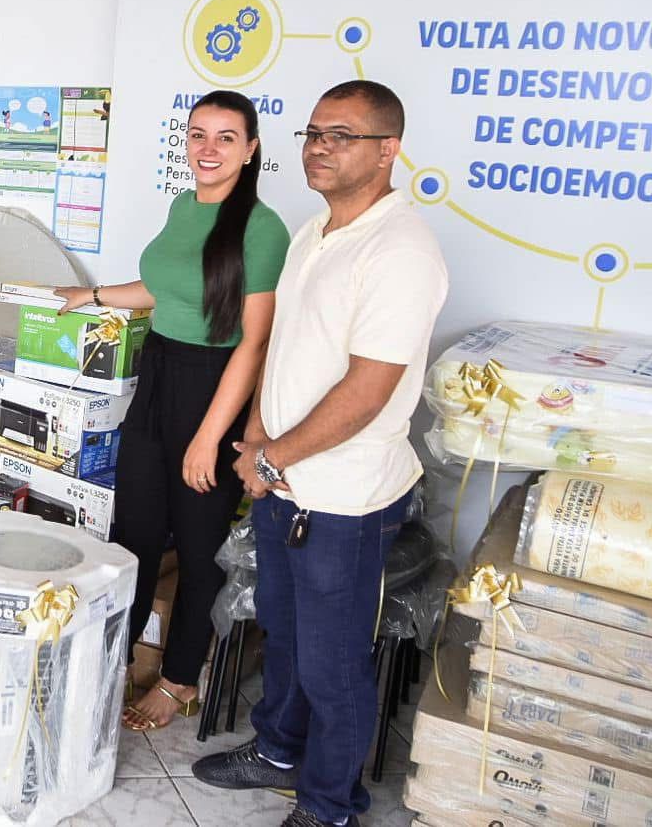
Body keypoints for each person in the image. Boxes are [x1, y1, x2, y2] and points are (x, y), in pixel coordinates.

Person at [191, 81, 448, 827]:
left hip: (344, 498)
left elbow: (367, 390)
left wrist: (273, 460)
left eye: (342, 135)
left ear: (387, 151)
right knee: (286, 630)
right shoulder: (314, 231)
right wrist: (260, 441)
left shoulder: (401, 249)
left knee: (334, 665)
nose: (319, 147)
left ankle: (331, 803)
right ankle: (275, 750)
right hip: (284, 483)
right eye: (312, 133)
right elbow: (284, 347)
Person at [55, 89, 288, 731]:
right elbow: (162, 290)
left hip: (215, 386)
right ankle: (112, 658)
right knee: (132, 533)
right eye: (197, 135)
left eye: (225, 138)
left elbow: (253, 341)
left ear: (251, 148)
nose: (207, 149)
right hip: (157, 372)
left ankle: (181, 677)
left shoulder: (263, 230)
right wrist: (94, 294)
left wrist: (209, 438)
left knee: (199, 544)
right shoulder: (184, 205)